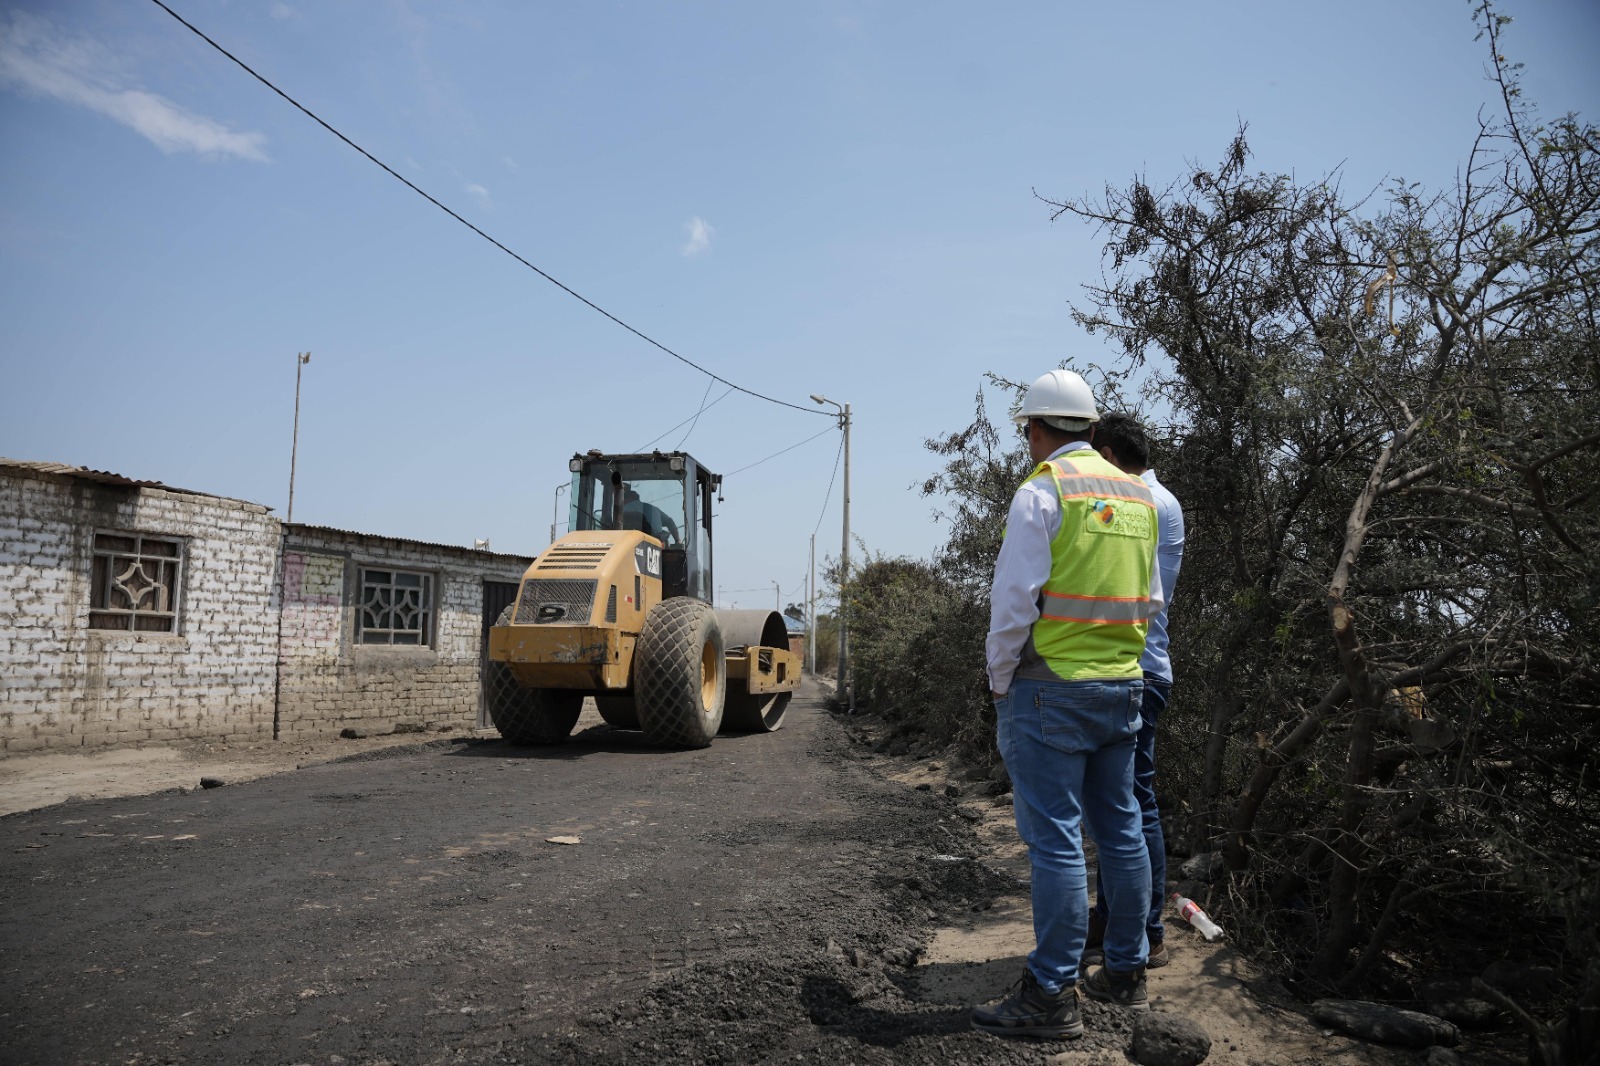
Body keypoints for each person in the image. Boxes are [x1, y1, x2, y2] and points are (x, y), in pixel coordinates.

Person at [971, 369, 1163, 1040]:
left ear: (1036, 428)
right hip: (1124, 685)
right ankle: (1127, 973)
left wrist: (999, 679)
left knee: (1055, 842)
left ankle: (1051, 992)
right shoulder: (1138, 495)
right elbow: (1153, 599)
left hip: (1050, 688)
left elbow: (1013, 603)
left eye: (1025, 429)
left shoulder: (1043, 492)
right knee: (1121, 830)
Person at [1082, 413, 1185, 971]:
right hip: (1133, 666)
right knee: (1114, 805)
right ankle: (1117, 920)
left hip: (1135, 668)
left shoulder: (1145, 501)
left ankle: (1145, 930)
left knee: (1132, 803)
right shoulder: (1147, 497)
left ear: (1112, 455)